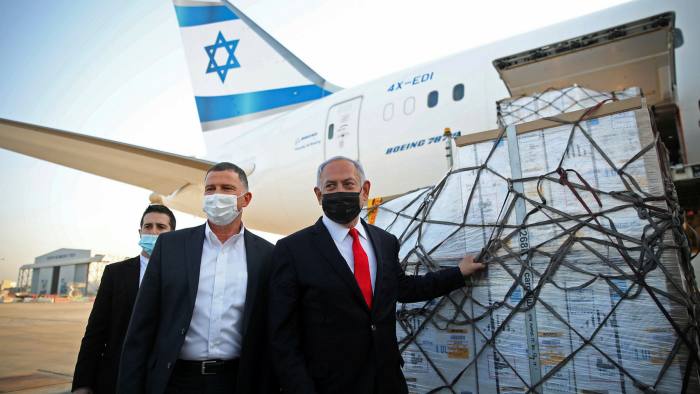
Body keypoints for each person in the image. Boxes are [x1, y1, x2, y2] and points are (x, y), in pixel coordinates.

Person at [268, 156, 485, 394]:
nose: (340, 191)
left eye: (348, 184)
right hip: (330, 385)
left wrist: (458, 273)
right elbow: (283, 335)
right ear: (319, 195)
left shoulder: (384, 241)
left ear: (365, 190)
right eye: (331, 186)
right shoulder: (292, 249)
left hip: (387, 379)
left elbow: (404, 288)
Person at [118, 162, 276, 394]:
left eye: (226, 188)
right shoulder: (170, 247)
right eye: (210, 189)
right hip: (177, 380)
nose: (216, 195)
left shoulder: (267, 255)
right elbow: (141, 326)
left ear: (246, 199)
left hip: (237, 381)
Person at [72, 204, 176, 394]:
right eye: (148, 226)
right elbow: (95, 332)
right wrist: (82, 383)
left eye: (161, 227)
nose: (153, 232)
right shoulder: (115, 273)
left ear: (172, 234)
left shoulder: (183, 275)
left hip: (165, 380)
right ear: (140, 232)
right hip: (118, 378)